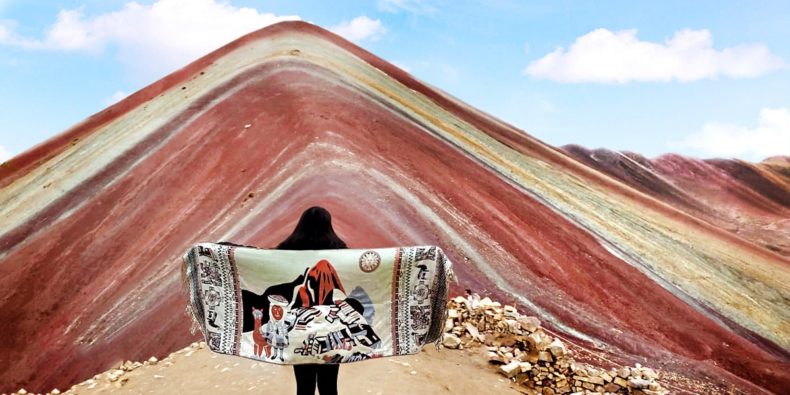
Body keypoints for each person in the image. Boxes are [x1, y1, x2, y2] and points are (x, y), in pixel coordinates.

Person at [276, 206, 347, 395]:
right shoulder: (340, 250)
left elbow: (267, 269)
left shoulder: (285, 250)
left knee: (304, 386)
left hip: (299, 331)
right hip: (330, 331)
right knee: (329, 387)